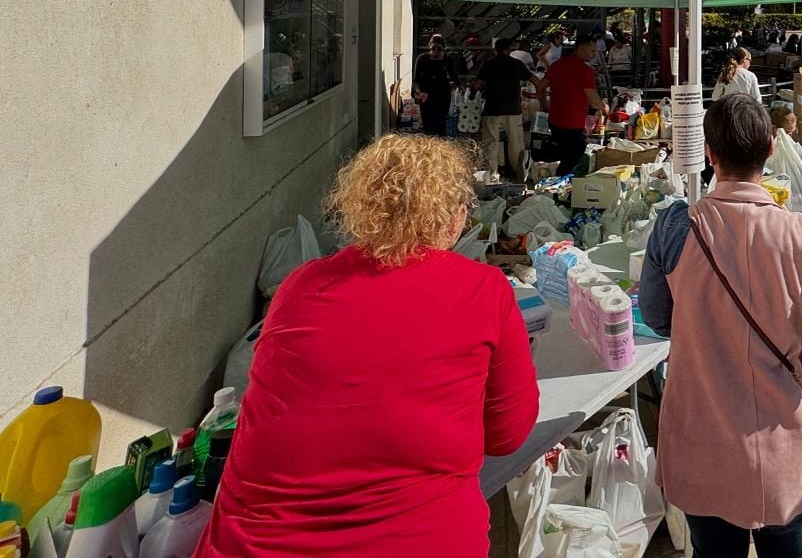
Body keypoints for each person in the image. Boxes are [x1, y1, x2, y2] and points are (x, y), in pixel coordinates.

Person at [196, 135, 539, 555]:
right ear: (452, 217)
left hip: (253, 542)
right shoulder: (482, 289)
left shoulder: (301, 284)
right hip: (420, 540)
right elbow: (507, 435)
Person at [639, 97, 802, 555]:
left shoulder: (675, 226)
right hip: (784, 447)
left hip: (701, 445)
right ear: (770, 149)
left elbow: (656, 317)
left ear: (710, 154)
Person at [543, 34, 608, 175]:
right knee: (575, 154)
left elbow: (541, 86)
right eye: (592, 50)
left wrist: (544, 104)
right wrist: (604, 106)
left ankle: (552, 175)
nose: (594, 54)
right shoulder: (585, 71)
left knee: (562, 153)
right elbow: (595, 101)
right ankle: (557, 180)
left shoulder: (557, 65)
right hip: (573, 122)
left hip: (554, 119)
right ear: (582, 48)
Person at [476, 39, 536, 179]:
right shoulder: (516, 64)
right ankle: (519, 171)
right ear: (510, 49)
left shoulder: (489, 64)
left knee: (491, 142)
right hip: (513, 108)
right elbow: (535, 81)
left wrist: (472, 91)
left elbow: (477, 84)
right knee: (516, 140)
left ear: (495, 50)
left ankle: (492, 174)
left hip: (492, 108)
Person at [412, 34, 461, 136]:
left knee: (441, 122)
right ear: (430, 48)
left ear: (443, 49)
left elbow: (453, 75)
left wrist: (460, 86)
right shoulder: (422, 58)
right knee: (428, 122)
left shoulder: (448, 59)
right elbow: (416, 79)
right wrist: (418, 90)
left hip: (442, 93)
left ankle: (440, 143)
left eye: (439, 49)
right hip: (426, 93)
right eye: (433, 48)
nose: (436, 51)